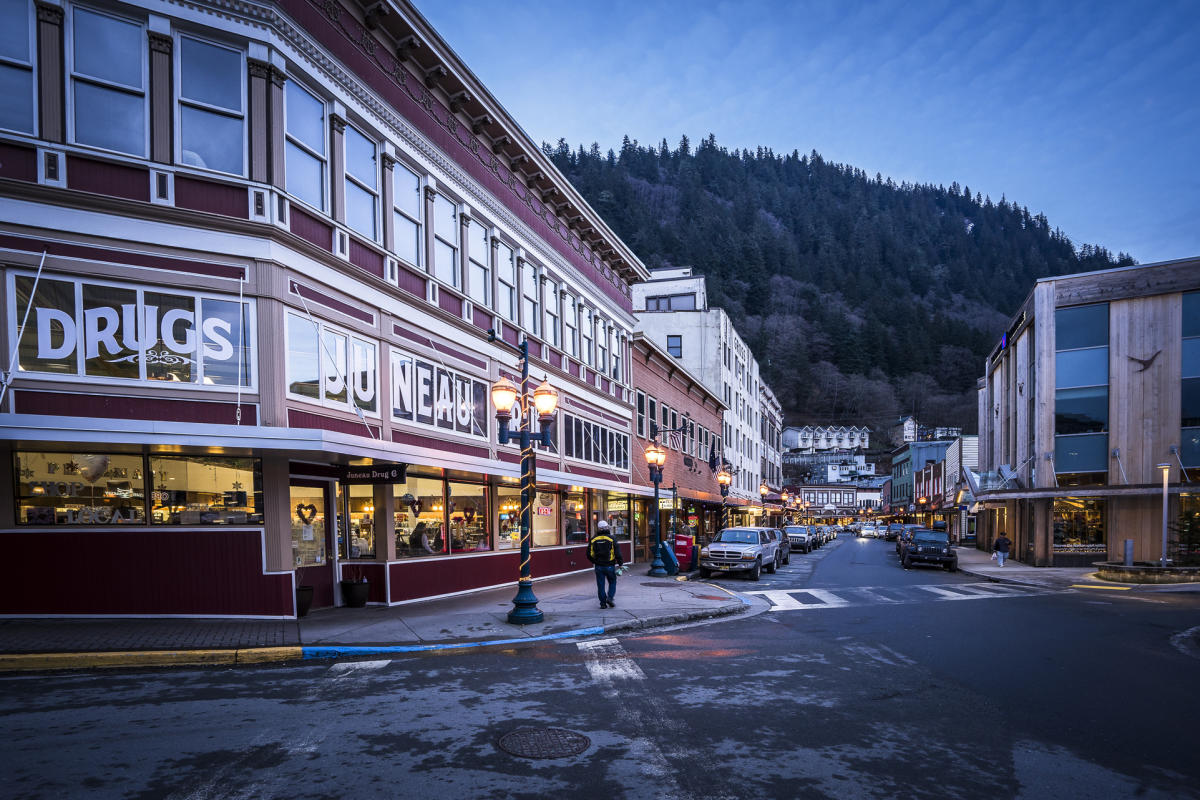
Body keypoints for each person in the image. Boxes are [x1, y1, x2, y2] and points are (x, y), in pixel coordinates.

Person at [587, 519, 624, 609]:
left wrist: (595, 562)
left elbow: (589, 554)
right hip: (610, 565)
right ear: (607, 527)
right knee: (612, 582)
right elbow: (617, 552)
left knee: (600, 585)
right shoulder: (612, 538)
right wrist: (620, 563)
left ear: (598, 529)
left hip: (599, 566)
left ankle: (603, 604)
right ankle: (610, 598)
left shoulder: (593, 539)